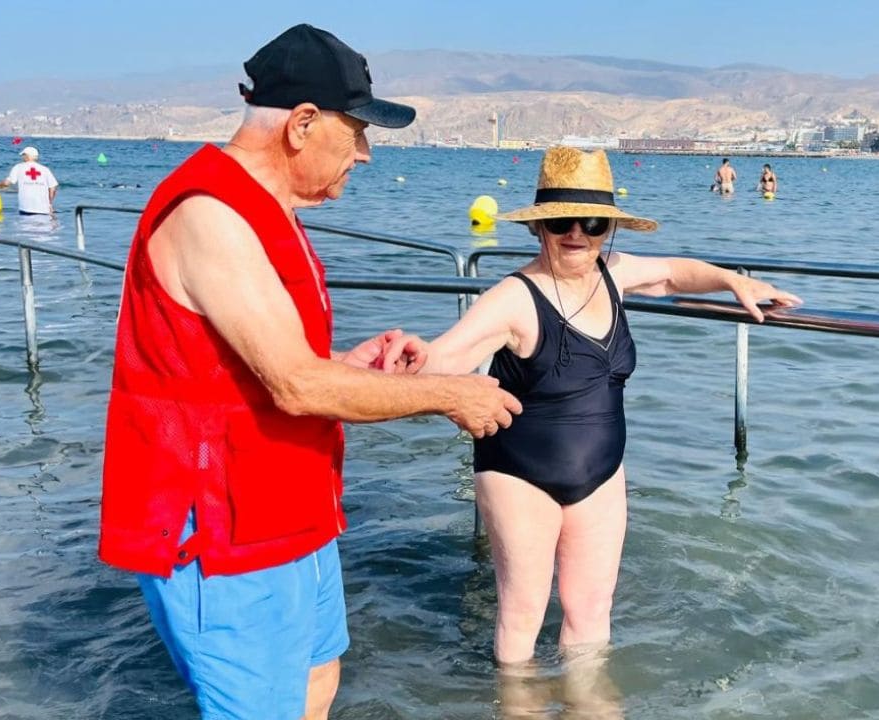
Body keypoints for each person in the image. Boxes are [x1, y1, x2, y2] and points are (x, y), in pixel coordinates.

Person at [98, 24, 521, 720]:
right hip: (222, 528)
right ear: (301, 124)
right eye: (355, 131)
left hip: (290, 509)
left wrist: (345, 365)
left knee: (317, 681)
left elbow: (265, 368)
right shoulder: (211, 214)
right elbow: (294, 386)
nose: (364, 152)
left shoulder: (274, 210)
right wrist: (447, 394)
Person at [390, 147, 801, 666]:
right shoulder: (515, 297)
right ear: (539, 227)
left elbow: (674, 273)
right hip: (520, 475)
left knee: (590, 617)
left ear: (609, 229)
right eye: (563, 220)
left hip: (602, 476)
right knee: (522, 619)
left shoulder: (614, 273)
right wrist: (413, 360)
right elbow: (448, 357)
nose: (577, 234)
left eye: (593, 223)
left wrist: (733, 280)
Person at [0, 146, 58, 215]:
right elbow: (53, 188)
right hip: (44, 210)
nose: (22, 157)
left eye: (23, 155)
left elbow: (7, 183)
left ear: (27, 156)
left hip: (26, 208)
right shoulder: (45, 169)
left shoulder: (19, 167)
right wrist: (50, 203)